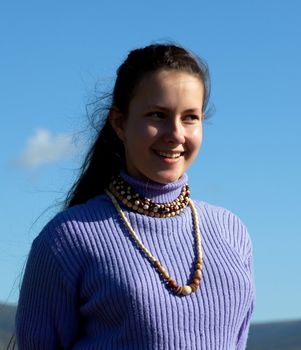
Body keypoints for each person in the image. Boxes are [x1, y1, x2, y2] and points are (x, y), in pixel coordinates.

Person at [15, 43, 255, 349]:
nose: (176, 134)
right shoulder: (66, 241)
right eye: (158, 115)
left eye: (190, 117)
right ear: (120, 123)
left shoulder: (231, 233)